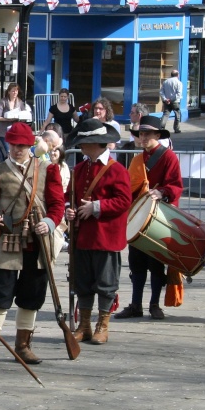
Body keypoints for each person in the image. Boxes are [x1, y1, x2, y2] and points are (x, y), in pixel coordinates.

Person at [0, 122, 64, 367]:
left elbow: (58, 204)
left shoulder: (48, 169)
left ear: (31, 145)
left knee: (31, 296)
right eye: (14, 145)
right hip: (7, 236)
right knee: (0, 296)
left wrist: (49, 221)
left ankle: (23, 346)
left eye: (23, 145)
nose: (18, 149)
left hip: (37, 240)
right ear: (9, 144)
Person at [64, 118, 132, 345]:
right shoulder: (80, 168)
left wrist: (96, 207)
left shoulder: (117, 170)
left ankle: (102, 325)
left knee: (105, 283)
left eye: (83, 142)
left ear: (95, 143)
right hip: (82, 237)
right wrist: (69, 210)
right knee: (82, 282)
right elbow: (68, 197)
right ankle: (84, 325)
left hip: (106, 237)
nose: (80, 146)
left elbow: (123, 201)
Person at [116, 116, 182, 321]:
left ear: (157, 135)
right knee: (136, 263)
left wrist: (162, 192)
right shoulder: (137, 160)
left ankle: (154, 304)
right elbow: (129, 188)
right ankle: (136, 304)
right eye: (141, 134)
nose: (143, 137)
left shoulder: (169, 157)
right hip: (139, 217)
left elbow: (176, 185)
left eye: (147, 134)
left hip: (159, 217)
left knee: (155, 263)